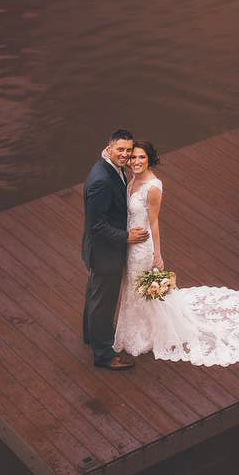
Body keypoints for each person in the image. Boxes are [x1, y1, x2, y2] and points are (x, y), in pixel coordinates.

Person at [113, 140, 239, 365]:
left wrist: (157, 255)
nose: (137, 162)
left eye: (142, 157)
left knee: (141, 289)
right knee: (131, 287)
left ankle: (146, 334)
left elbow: (154, 223)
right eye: (133, 158)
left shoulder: (153, 187)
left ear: (149, 160)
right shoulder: (132, 183)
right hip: (130, 242)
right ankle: (133, 329)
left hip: (143, 247)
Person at [82, 128, 148, 370]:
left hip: (99, 250)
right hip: (104, 252)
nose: (125, 155)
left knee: (94, 293)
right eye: (120, 149)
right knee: (104, 302)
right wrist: (126, 236)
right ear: (109, 147)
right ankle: (104, 355)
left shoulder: (110, 167)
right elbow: (96, 225)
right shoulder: (100, 180)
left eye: (128, 150)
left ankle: (90, 335)